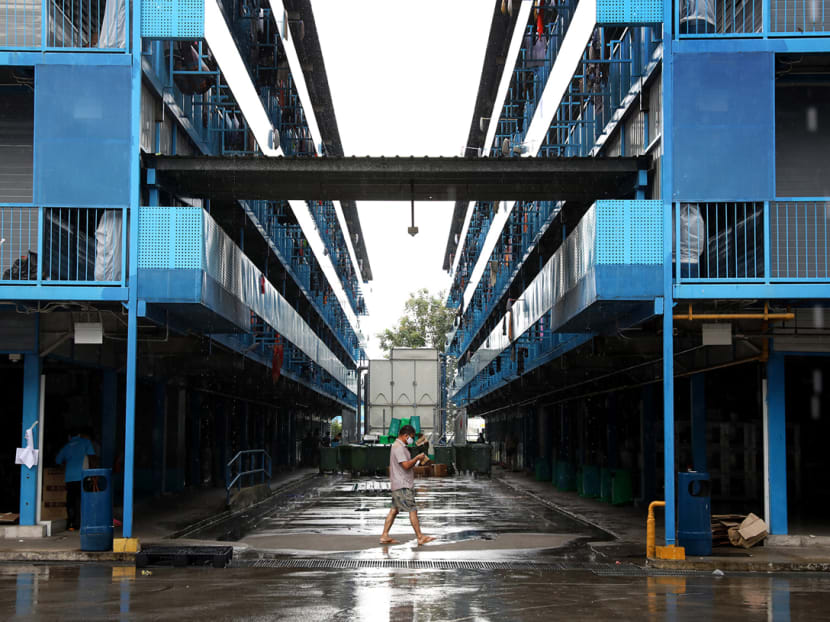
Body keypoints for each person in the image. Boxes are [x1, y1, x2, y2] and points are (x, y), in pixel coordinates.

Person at [380, 425, 435, 546]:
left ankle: (384, 535)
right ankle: (420, 537)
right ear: (405, 435)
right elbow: (405, 465)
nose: (412, 439)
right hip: (402, 485)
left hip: (398, 483)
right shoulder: (399, 447)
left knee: (394, 510)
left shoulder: (399, 446)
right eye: (411, 437)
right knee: (412, 510)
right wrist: (417, 458)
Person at [56, 429, 97, 531]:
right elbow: (92, 458)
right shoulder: (86, 443)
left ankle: (71, 523)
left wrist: (68, 466)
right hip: (84, 476)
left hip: (70, 478)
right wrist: (94, 474)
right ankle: (86, 523)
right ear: (79, 435)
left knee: (71, 502)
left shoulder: (66, 447)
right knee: (85, 500)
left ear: (69, 436)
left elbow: (58, 461)